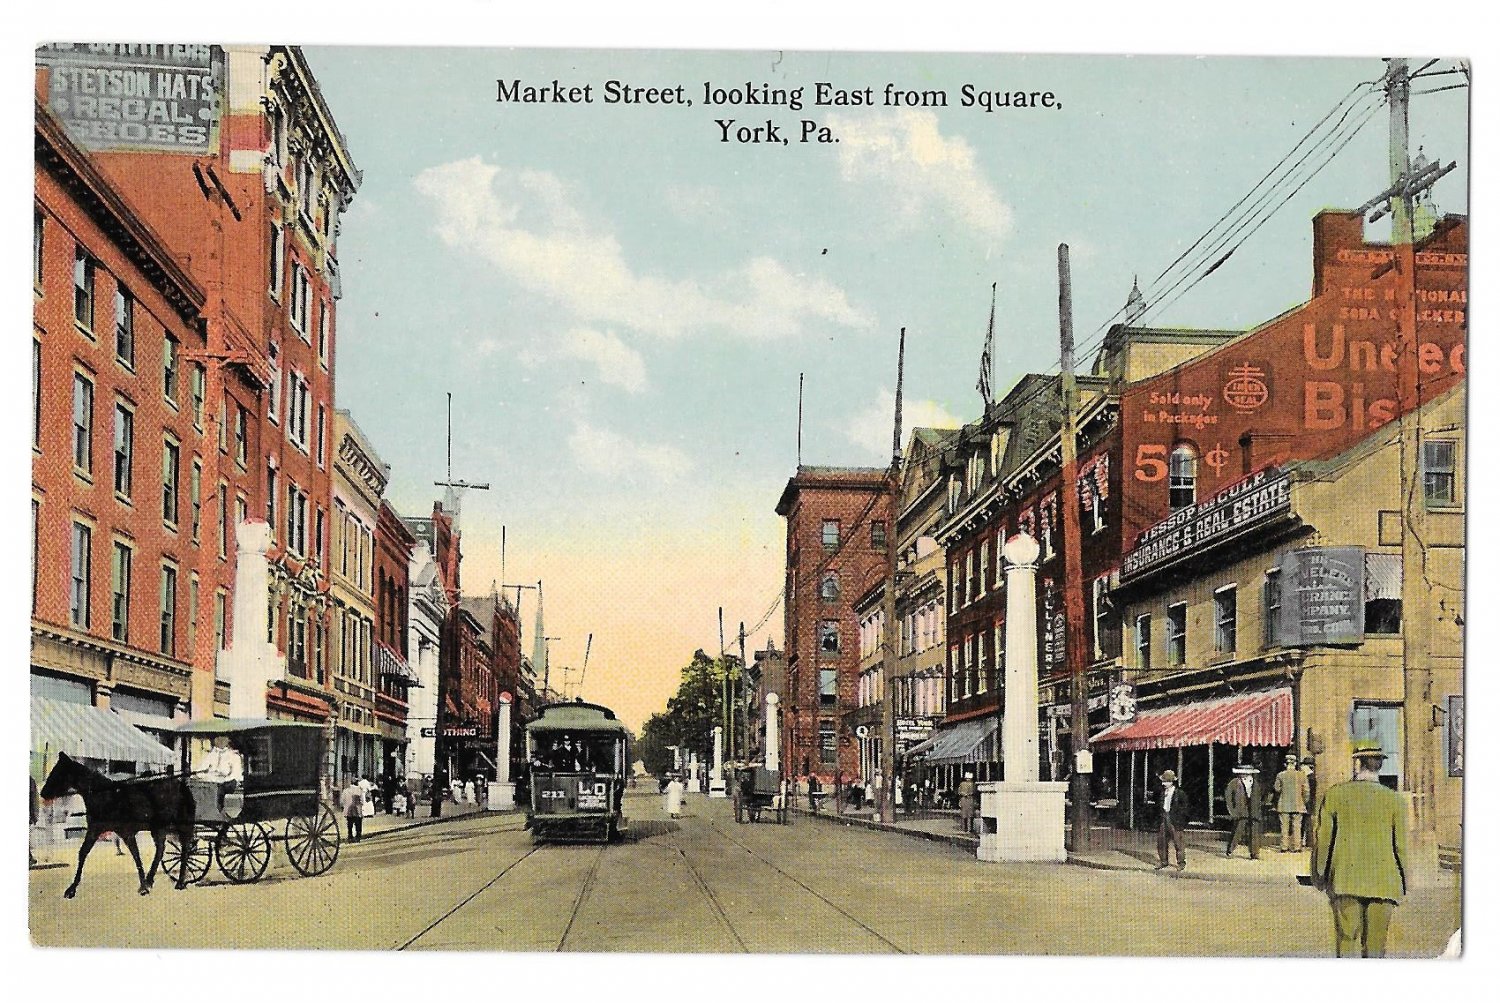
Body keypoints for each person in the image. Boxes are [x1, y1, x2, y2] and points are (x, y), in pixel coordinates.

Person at [1311, 739, 1410, 958]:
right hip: (1384, 882)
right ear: (1380, 766)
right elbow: (1401, 847)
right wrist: (1405, 880)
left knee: (1347, 941)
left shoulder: (1335, 795)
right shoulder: (1395, 801)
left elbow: (1324, 839)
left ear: (1357, 764)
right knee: (1376, 945)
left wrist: (1320, 874)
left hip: (1345, 879)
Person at [1225, 763, 1267, 859]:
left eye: (1247, 773)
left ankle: (1254, 853)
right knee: (1238, 831)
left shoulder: (1256, 783)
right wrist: (1232, 810)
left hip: (1254, 811)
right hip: (1240, 811)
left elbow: (1262, 795)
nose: (1245, 774)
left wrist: (1259, 806)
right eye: (1243, 773)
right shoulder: (1234, 782)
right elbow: (1228, 797)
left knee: (1254, 832)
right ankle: (1230, 850)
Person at [1273, 753, 1311, 852]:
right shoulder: (1301, 775)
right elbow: (1306, 791)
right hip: (1298, 804)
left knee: (1284, 826)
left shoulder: (1280, 775)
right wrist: (1304, 801)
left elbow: (1277, 789)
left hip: (1284, 804)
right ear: (1295, 764)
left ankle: (1284, 847)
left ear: (1285, 764)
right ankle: (1297, 847)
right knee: (1297, 826)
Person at [1153, 769, 1189, 871]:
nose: (1164, 784)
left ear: (1172, 782)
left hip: (1175, 820)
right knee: (1161, 841)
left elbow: (1185, 809)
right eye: (1163, 781)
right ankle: (1163, 861)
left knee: (1178, 843)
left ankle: (1181, 863)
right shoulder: (1162, 793)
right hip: (1164, 817)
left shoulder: (1180, 794)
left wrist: (1181, 822)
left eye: (1166, 781)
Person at [340, 777, 365, 843]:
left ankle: (350, 836)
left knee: (350, 824)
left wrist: (345, 806)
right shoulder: (359, 790)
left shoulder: (345, 790)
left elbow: (342, 801)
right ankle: (358, 836)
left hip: (348, 810)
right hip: (357, 810)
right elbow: (362, 801)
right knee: (358, 824)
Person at [1301, 756, 1318, 848]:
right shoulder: (1311, 776)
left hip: (1306, 802)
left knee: (1305, 822)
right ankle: (1308, 841)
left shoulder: (1308, 776)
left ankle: (1306, 841)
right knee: (1307, 822)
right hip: (1310, 802)